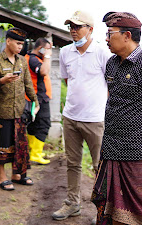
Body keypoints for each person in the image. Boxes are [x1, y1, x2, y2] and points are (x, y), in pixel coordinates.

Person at [91, 12, 142, 225]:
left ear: (127, 35)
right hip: (111, 146)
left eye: (110, 34)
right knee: (108, 201)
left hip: (137, 151)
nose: (106, 39)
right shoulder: (111, 64)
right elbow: (113, 98)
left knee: (139, 209)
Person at [52, 11, 110, 221]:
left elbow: (111, 86)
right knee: (73, 164)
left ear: (90, 29)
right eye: (71, 27)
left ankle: (102, 211)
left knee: (100, 167)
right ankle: (72, 203)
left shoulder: (103, 53)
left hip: (95, 120)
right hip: (71, 117)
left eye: (77, 27)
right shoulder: (66, 52)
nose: (73, 31)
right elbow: (69, 82)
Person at [0, 27, 39, 191]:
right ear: (8, 41)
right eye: (17, 43)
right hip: (4, 111)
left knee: (20, 144)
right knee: (3, 144)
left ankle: (18, 174)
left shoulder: (22, 61)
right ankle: (2, 177)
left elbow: (28, 84)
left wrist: (36, 102)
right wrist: (2, 81)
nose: (20, 47)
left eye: (22, 44)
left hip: (20, 110)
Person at [25, 38, 53, 165]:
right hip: (39, 97)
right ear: (41, 48)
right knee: (43, 124)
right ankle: (35, 154)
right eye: (47, 49)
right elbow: (44, 71)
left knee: (34, 124)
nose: (49, 52)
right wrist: (47, 56)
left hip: (36, 97)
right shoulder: (33, 59)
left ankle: (34, 151)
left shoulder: (31, 58)